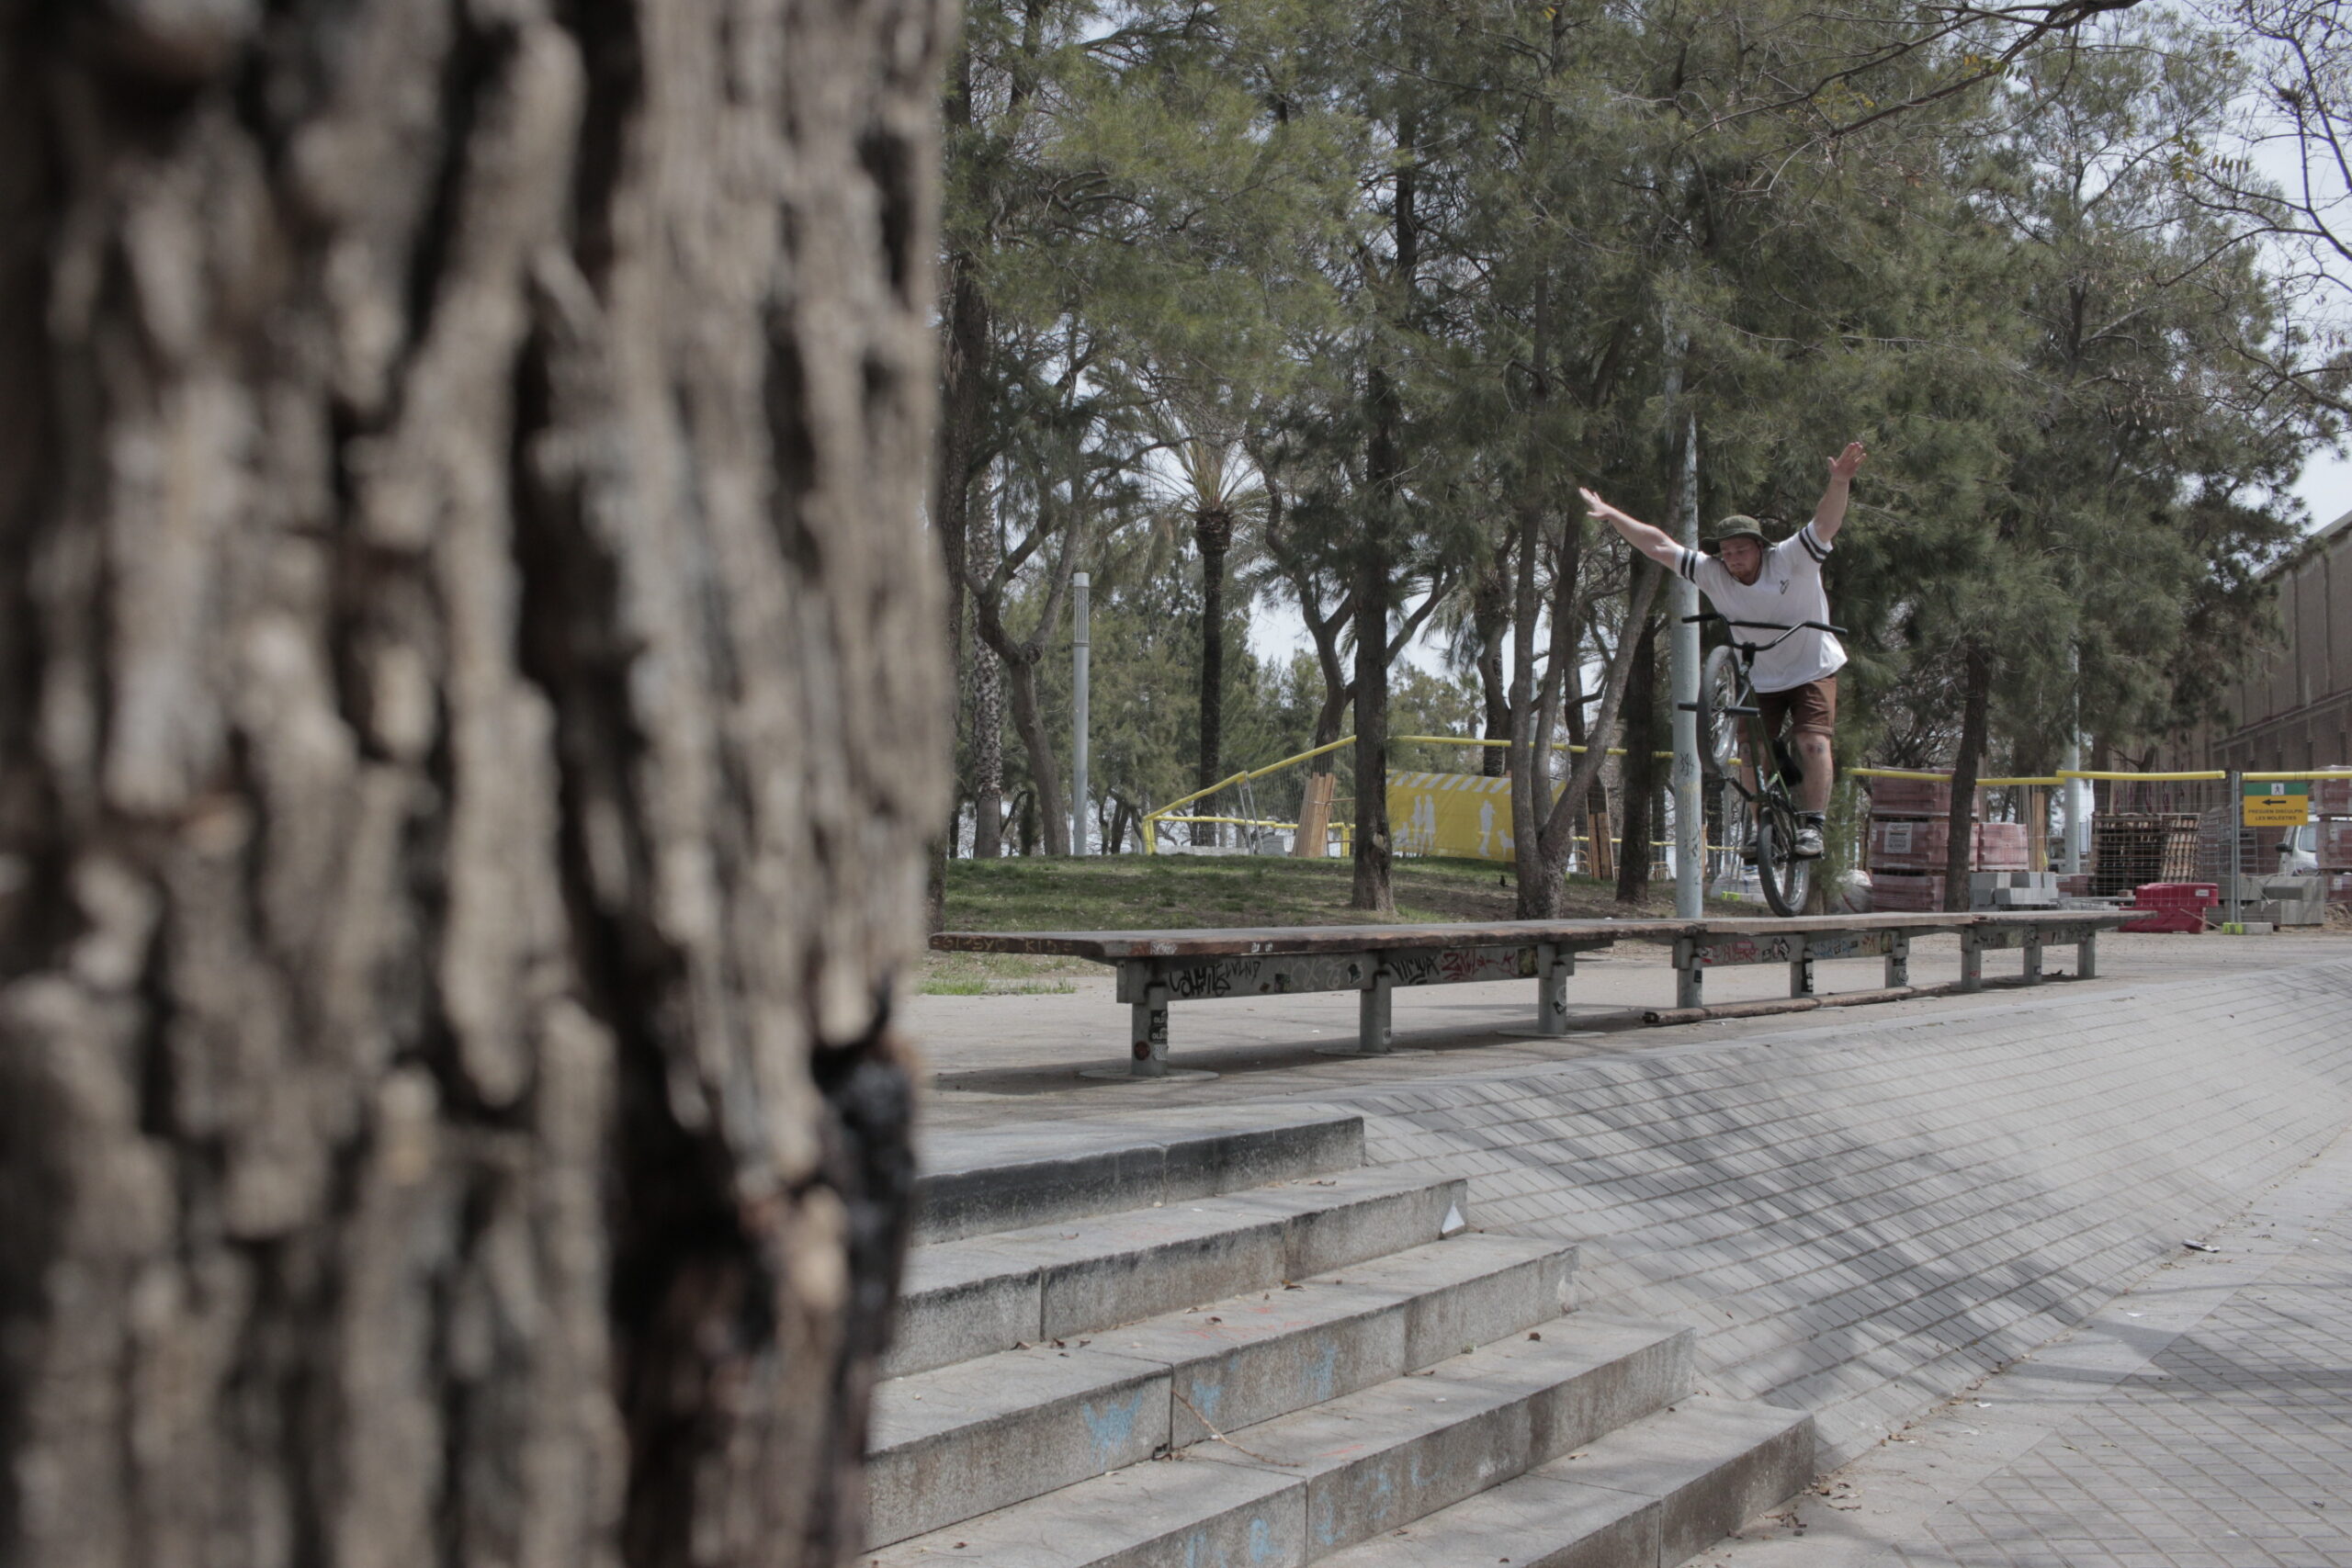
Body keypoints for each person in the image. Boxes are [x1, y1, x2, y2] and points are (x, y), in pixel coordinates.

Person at [1578, 442, 1866, 860]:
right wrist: (1612, 515)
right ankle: (1760, 829)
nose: (1732, 559)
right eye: (1726, 552)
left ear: (1760, 547)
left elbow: (1825, 523)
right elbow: (1658, 546)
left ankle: (1813, 827)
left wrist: (1839, 481)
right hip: (1760, 675)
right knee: (1750, 752)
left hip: (1811, 667)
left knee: (1812, 743)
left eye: (1740, 550)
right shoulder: (1713, 573)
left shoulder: (1791, 558)